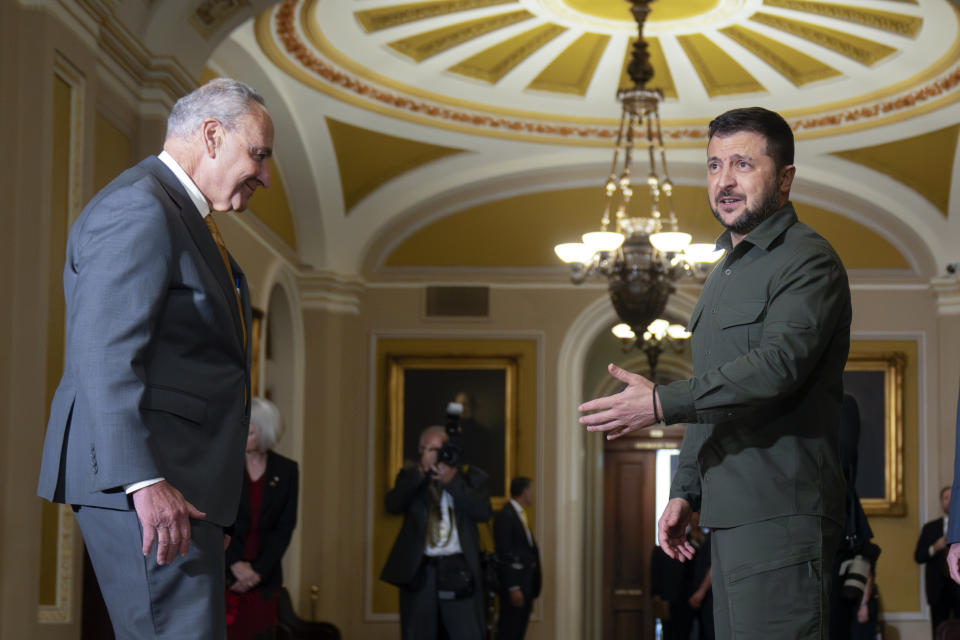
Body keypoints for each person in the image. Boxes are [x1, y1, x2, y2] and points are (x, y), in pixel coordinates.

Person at [579, 106, 852, 639]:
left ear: (785, 179)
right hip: (726, 521)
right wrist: (686, 490)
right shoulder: (724, 270)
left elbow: (777, 367)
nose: (723, 181)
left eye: (743, 164)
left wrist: (659, 403)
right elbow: (716, 392)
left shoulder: (808, 260)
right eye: (713, 165)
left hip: (782, 518)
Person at [36, 77, 273, 638]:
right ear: (212, 136)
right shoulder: (140, 208)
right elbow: (102, 354)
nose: (264, 175)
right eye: (259, 155)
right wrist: (143, 482)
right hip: (151, 484)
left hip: (178, 481)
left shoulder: (179, 214)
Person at [381, 425, 492, 640]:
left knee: (466, 633)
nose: (428, 454)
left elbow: (482, 512)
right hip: (422, 572)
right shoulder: (410, 477)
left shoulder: (469, 478)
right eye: (425, 449)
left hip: (460, 571)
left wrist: (452, 482)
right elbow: (392, 505)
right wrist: (419, 476)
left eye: (435, 449)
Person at [225, 397, 299, 640]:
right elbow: (216, 521)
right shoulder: (226, 467)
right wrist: (234, 564)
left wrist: (256, 573)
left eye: (251, 432)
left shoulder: (287, 470)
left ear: (266, 433)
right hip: (226, 576)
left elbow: (285, 527)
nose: (243, 435)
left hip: (264, 580)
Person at [493, 476, 541, 640]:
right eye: (532, 490)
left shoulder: (520, 514)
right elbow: (504, 553)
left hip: (526, 586)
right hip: (516, 588)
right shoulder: (506, 515)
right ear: (524, 491)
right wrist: (513, 587)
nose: (534, 494)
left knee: (518, 633)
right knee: (509, 632)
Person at [918, 486, 960, 637]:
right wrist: (934, 547)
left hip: (958, 587)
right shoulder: (930, 528)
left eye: (952, 497)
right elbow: (918, 556)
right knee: (939, 631)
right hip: (937, 590)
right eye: (946, 498)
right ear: (942, 502)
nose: (949, 501)